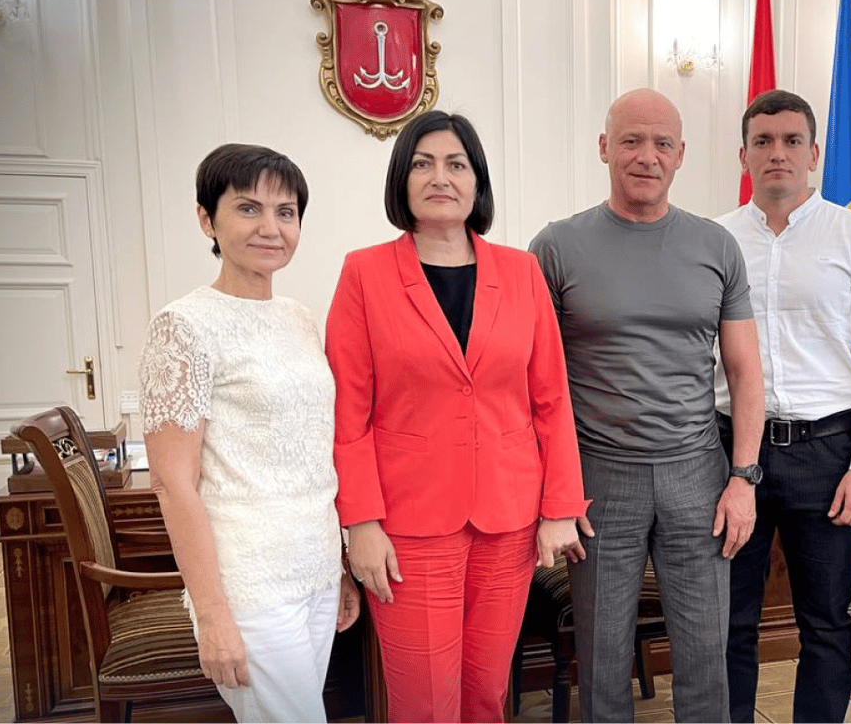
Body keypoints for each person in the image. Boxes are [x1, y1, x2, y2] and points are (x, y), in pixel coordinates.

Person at [325, 111, 589, 724]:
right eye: (422, 164)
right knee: (425, 703)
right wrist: (360, 523)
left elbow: (551, 400)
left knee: (487, 694)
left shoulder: (521, 273)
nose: (439, 177)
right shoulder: (365, 273)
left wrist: (560, 507)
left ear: (477, 181)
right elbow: (348, 413)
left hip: (508, 521)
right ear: (402, 179)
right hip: (408, 527)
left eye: (455, 164)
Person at [528, 88, 765, 724]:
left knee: (705, 658)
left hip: (699, 477)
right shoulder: (555, 246)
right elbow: (535, 382)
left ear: (681, 154)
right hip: (598, 480)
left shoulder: (717, 246)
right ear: (605, 148)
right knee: (602, 660)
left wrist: (744, 479)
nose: (646, 156)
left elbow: (745, 373)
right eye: (631, 141)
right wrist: (553, 493)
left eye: (662, 143)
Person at [139, 143, 361, 724]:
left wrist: (338, 568)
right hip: (249, 583)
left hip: (315, 570)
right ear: (206, 219)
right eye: (247, 208)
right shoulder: (183, 325)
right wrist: (212, 615)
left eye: (285, 212)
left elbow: (312, 456)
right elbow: (171, 484)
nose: (270, 228)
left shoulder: (298, 317)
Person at [715, 89, 851, 724]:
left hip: (825, 452)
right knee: (730, 620)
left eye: (792, 141)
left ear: (815, 154)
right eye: (763, 141)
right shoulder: (715, 239)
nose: (778, 153)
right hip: (731, 451)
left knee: (825, 623)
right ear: (743, 154)